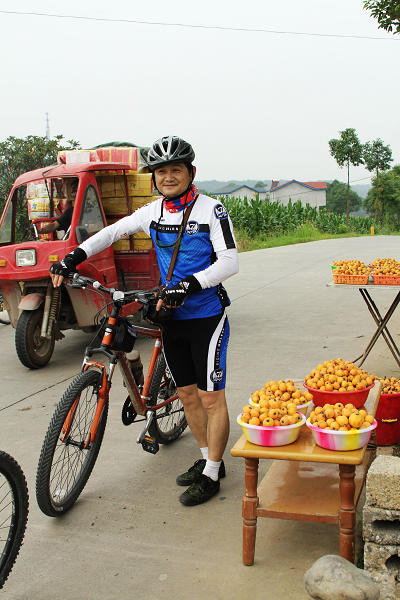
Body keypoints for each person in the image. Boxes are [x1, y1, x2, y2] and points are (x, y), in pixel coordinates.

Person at [49, 136, 239, 506]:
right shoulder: (153, 212)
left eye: (176, 170)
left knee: (210, 398)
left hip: (206, 316)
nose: (168, 177)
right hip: (171, 315)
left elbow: (229, 261)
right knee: (187, 394)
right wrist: (72, 257)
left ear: (191, 172)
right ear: (154, 177)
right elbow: (111, 233)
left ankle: (214, 473)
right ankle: (207, 460)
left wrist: (188, 284)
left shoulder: (211, 210)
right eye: (161, 171)